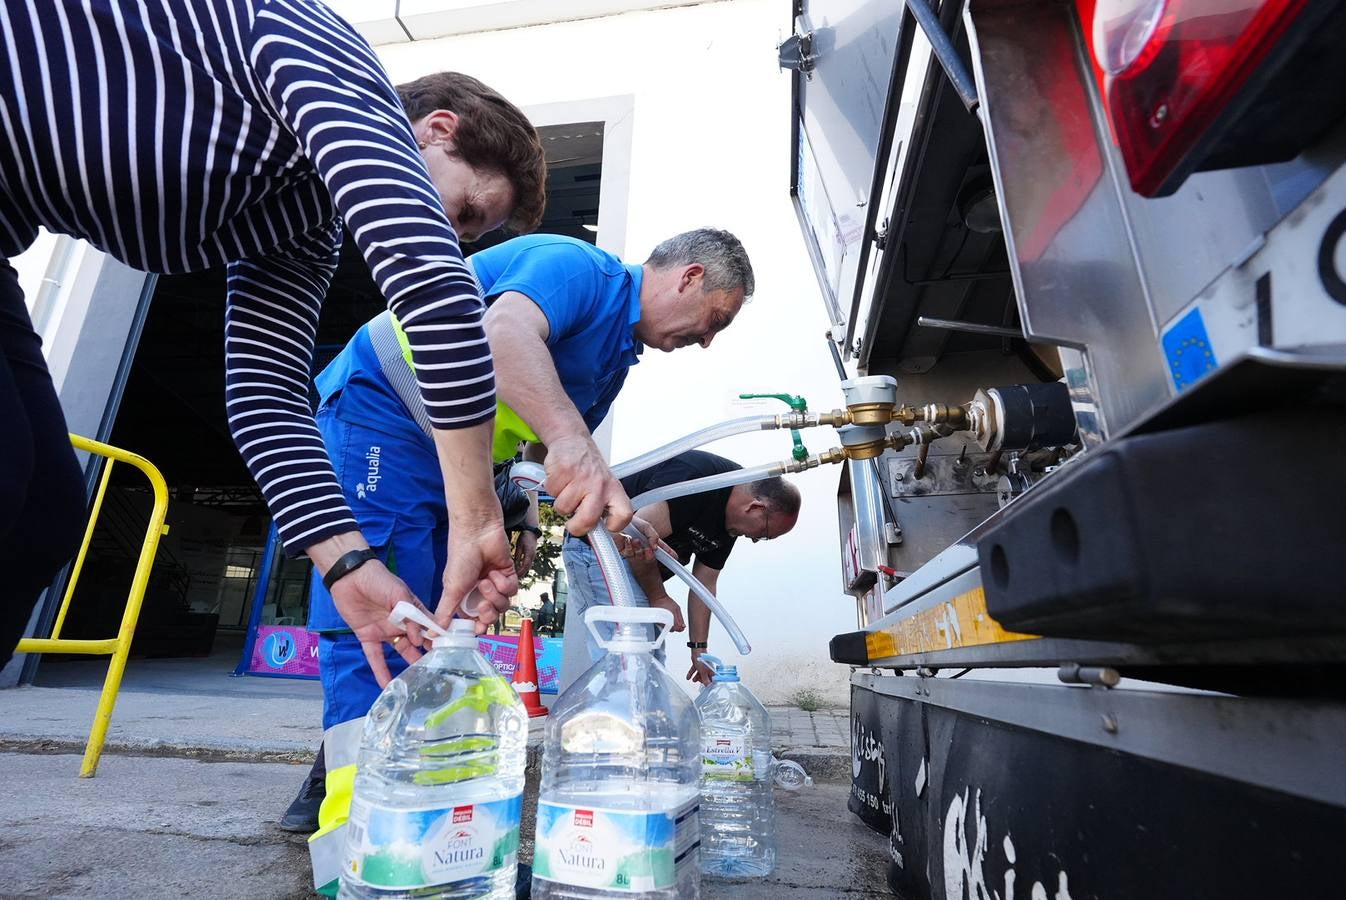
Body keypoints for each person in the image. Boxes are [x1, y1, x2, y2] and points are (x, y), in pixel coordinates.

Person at [0, 0, 562, 675]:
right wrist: (476, 517)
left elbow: (265, 398)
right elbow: (433, 291)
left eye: (466, 235)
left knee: (44, 511)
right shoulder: (325, 55)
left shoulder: (303, 224)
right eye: (465, 211)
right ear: (436, 130)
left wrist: (346, 563)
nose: (450, 237)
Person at [279, 229, 755, 830]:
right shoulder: (578, 268)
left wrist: (523, 509)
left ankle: (392, 786)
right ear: (689, 277)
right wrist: (572, 440)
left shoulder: (614, 358)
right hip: (386, 414)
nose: (707, 340)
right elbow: (501, 336)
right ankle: (357, 817)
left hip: (461, 460)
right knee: (383, 605)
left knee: (439, 621)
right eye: (716, 320)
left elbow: (534, 443)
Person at [563, 450, 801, 685]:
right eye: (764, 534)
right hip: (601, 551)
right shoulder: (698, 478)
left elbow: (704, 585)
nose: (755, 540)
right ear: (755, 508)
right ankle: (613, 708)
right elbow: (636, 541)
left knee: (650, 663)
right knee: (628, 661)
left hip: (636, 566)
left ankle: (640, 710)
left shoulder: (732, 523)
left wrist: (699, 650)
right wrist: (658, 596)